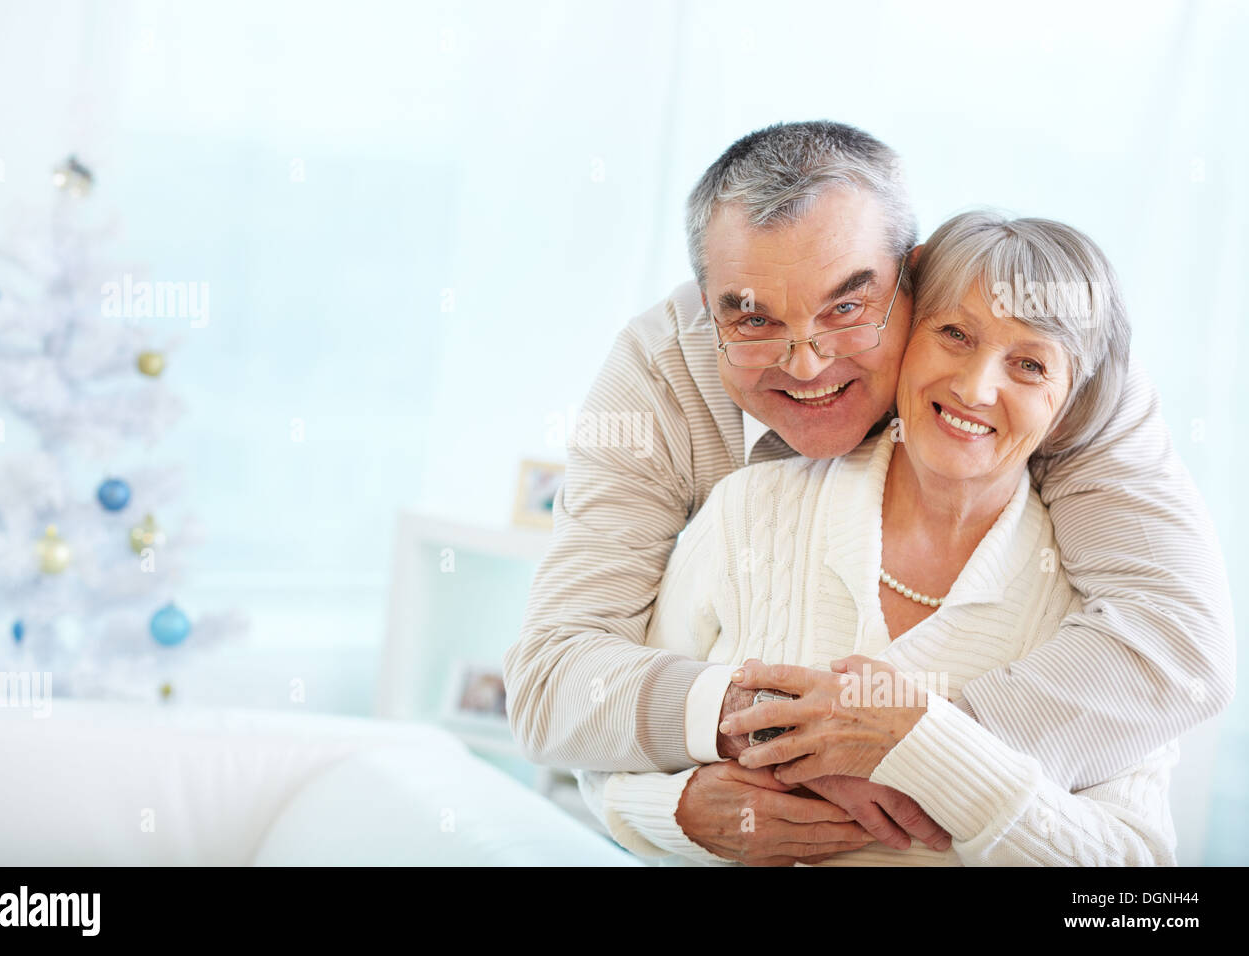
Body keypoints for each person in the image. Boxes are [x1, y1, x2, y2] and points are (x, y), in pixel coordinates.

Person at [503, 122, 1233, 866]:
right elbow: (555, 684)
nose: (808, 363)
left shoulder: (1059, 371)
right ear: (705, 302)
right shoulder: (666, 384)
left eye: (847, 308)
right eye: (752, 318)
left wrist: (911, 745)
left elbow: (1179, 648)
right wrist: (706, 778)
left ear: (911, 279)